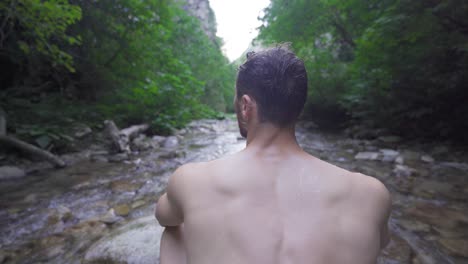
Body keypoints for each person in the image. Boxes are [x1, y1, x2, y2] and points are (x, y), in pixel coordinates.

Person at [155, 45, 392, 264]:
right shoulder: (370, 193)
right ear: (298, 105)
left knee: (176, 230)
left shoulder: (191, 180)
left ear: (246, 106)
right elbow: (381, 243)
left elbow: (164, 217)